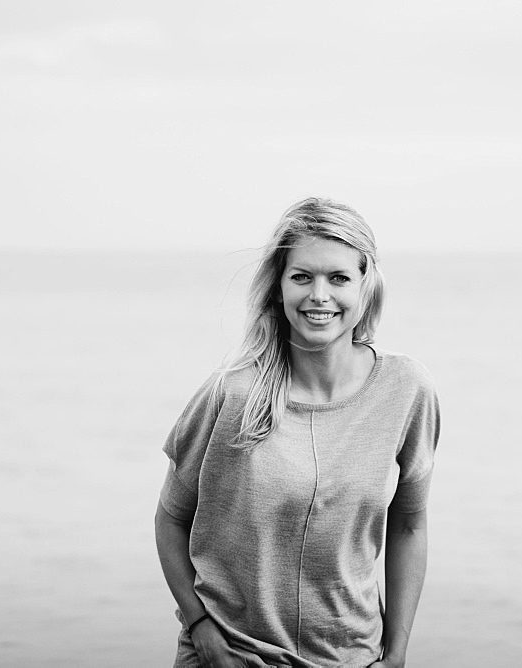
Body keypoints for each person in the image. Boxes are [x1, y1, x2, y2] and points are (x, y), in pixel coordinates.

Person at [155, 197, 441, 667]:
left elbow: (409, 523)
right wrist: (200, 625)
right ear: (279, 286)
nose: (319, 296)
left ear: (366, 286)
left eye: (339, 278)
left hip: (351, 658)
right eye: (302, 276)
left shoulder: (406, 390)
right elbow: (170, 520)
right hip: (231, 656)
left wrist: (397, 653)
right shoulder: (232, 394)